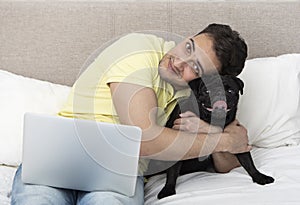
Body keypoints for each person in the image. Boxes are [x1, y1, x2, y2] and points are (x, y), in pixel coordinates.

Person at [11, 23, 250, 205]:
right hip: (58, 157)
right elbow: (144, 139)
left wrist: (218, 133)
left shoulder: (197, 94)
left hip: (120, 174)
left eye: (195, 66)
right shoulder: (138, 50)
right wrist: (224, 140)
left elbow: (226, 166)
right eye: (188, 47)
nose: (180, 62)